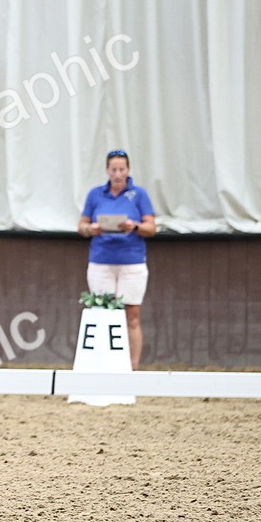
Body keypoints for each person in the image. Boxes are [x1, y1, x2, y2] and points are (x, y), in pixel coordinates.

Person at [78, 149, 156, 369]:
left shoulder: (138, 195)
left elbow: (151, 228)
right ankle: (103, 365)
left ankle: (132, 367)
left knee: (132, 316)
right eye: (113, 170)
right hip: (102, 261)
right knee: (103, 313)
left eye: (121, 169)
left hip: (131, 262)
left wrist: (135, 226)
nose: (118, 174)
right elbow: (81, 226)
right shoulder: (95, 195)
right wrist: (91, 229)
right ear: (107, 171)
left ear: (128, 170)